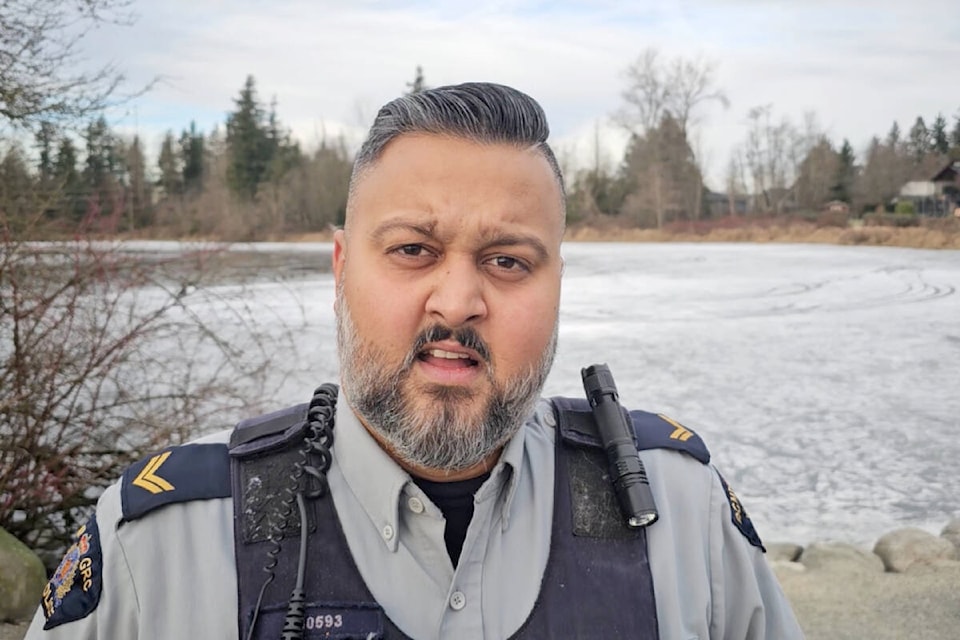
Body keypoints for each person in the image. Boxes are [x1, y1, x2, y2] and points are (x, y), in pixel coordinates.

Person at [26, 82, 804, 639]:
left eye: (507, 261)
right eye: (412, 250)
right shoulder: (164, 546)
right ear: (339, 269)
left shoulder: (682, 520)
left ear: (558, 285)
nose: (457, 300)